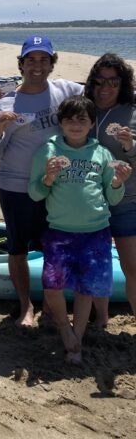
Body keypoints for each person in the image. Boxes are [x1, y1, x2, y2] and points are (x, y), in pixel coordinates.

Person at [0, 36, 83, 327]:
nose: (37, 66)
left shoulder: (65, 90)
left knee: (54, 246)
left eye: (44, 59)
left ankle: (51, 304)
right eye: (31, 60)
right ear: (21, 64)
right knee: (17, 248)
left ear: (52, 64)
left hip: (55, 186)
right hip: (16, 186)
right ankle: (26, 306)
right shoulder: (6, 104)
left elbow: (102, 94)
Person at [28, 96, 131, 362]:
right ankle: (65, 329)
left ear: (92, 123)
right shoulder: (47, 151)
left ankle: (78, 339)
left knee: (86, 289)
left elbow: (113, 197)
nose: (76, 125)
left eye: (82, 120)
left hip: (96, 232)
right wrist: (48, 178)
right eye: (70, 120)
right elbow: (35, 193)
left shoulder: (102, 154)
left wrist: (118, 182)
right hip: (59, 232)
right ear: (61, 122)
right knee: (52, 287)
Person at [84, 53, 136, 323]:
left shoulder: (132, 113)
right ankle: (101, 318)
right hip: (91, 203)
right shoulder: (84, 110)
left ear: (122, 84)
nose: (105, 87)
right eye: (99, 81)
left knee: (132, 268)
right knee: (95, 266)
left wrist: (130, 146)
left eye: (113, 82)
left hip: (126, 202)